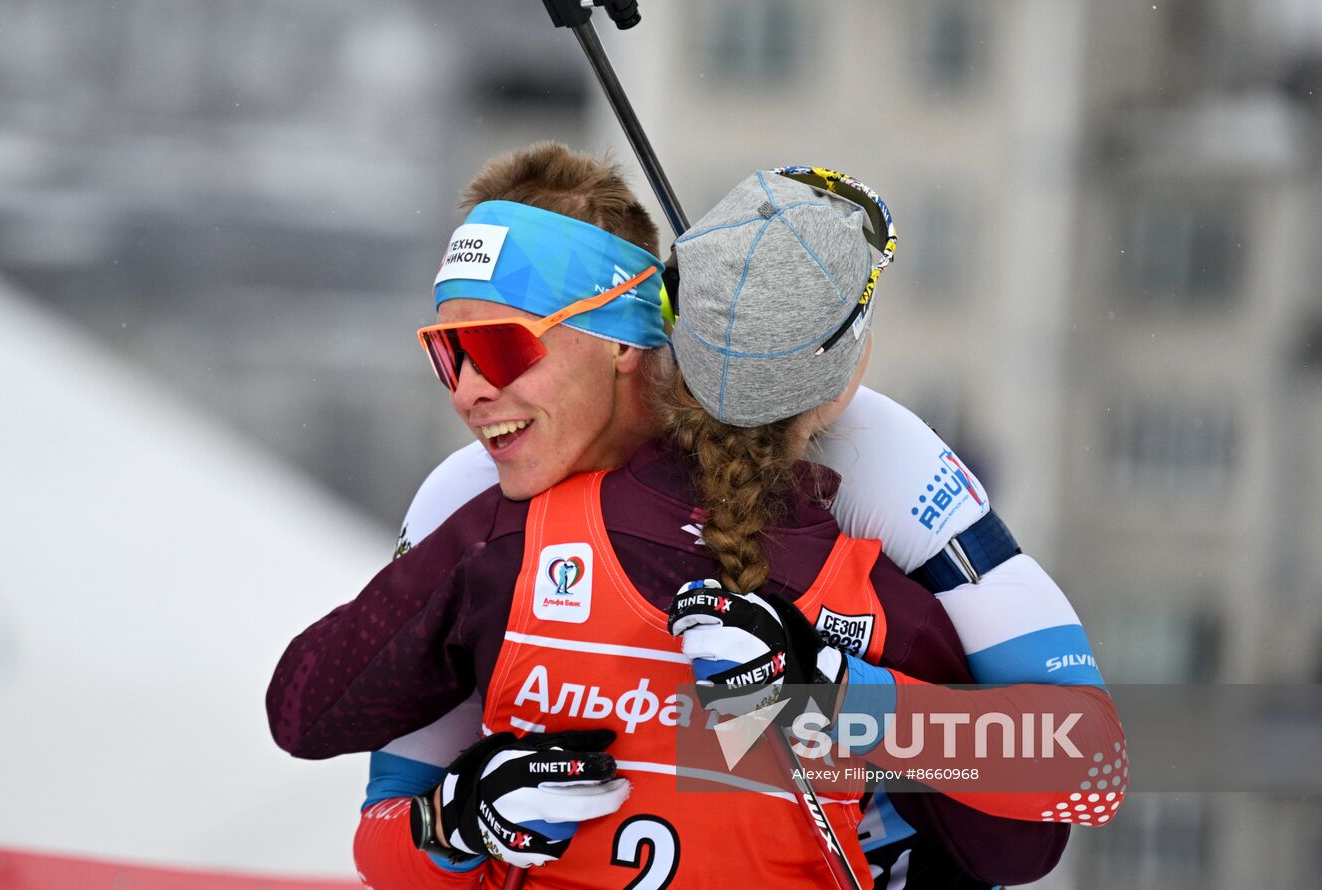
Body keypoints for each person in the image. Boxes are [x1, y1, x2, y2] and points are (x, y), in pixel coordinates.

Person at [266, 147, 1123, 887]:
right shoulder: (475, 504)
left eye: (496, 347)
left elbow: (1072, 779)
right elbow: (350, 772)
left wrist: (823, 701)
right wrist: (458, 822)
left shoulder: (875, 463)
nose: (467, 392)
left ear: (622, 339)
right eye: (443, 352)